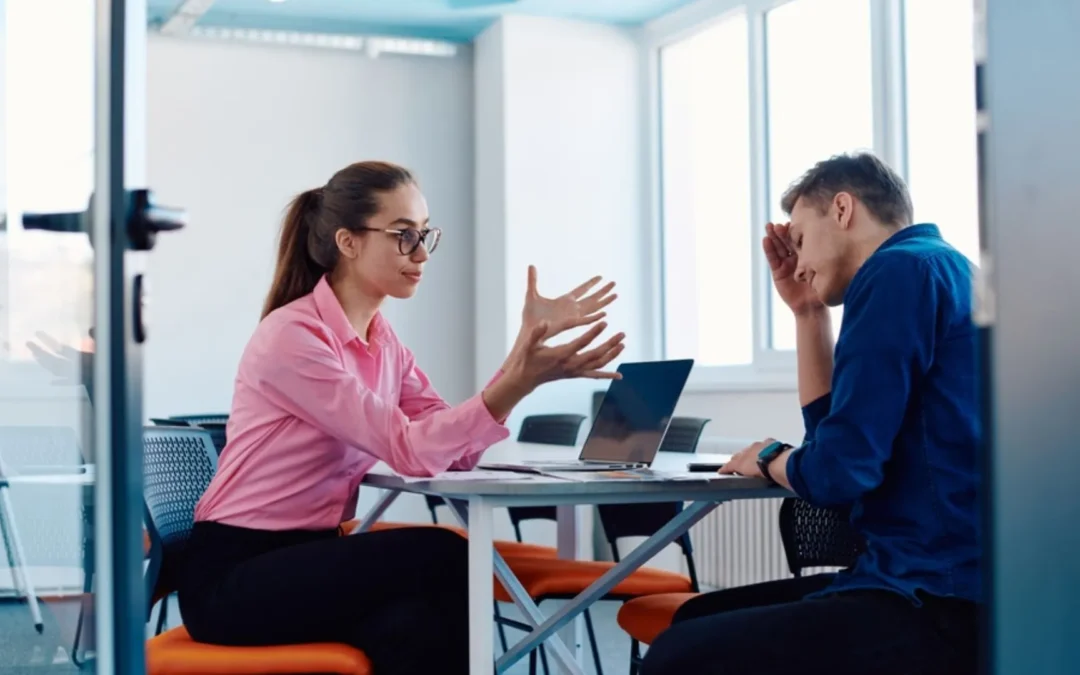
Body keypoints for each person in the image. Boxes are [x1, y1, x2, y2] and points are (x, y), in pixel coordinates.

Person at [176, 161, 626, 675]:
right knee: (441, 555)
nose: (421, 254)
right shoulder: (294, 337)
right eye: (403, 236)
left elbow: (455, 452)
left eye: (426, 235)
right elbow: (410, 449)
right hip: (235, 575)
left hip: (306, 557)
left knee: (414, 626)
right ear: (348, 243)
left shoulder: (383, 342)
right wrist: (517, 380)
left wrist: (522, 360)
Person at [641, 153, 980, 675]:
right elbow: (831, 446)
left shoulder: (898, 270)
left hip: (934, 597)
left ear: (843, 209)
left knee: (677, 658)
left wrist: (770, 456)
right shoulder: (941, 268)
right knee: (695, 616)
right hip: (930, 582)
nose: (796, 263)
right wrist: (808, 312)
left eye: (799, 239)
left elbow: (839, 472)